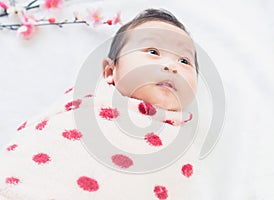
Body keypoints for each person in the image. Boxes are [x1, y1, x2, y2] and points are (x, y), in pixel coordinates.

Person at [0, 8, 204, 200]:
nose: (171, 66)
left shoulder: (180, 140)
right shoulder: (91, 101)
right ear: (109, 71)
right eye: (153, 51)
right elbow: (39, 130)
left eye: (184, 61)